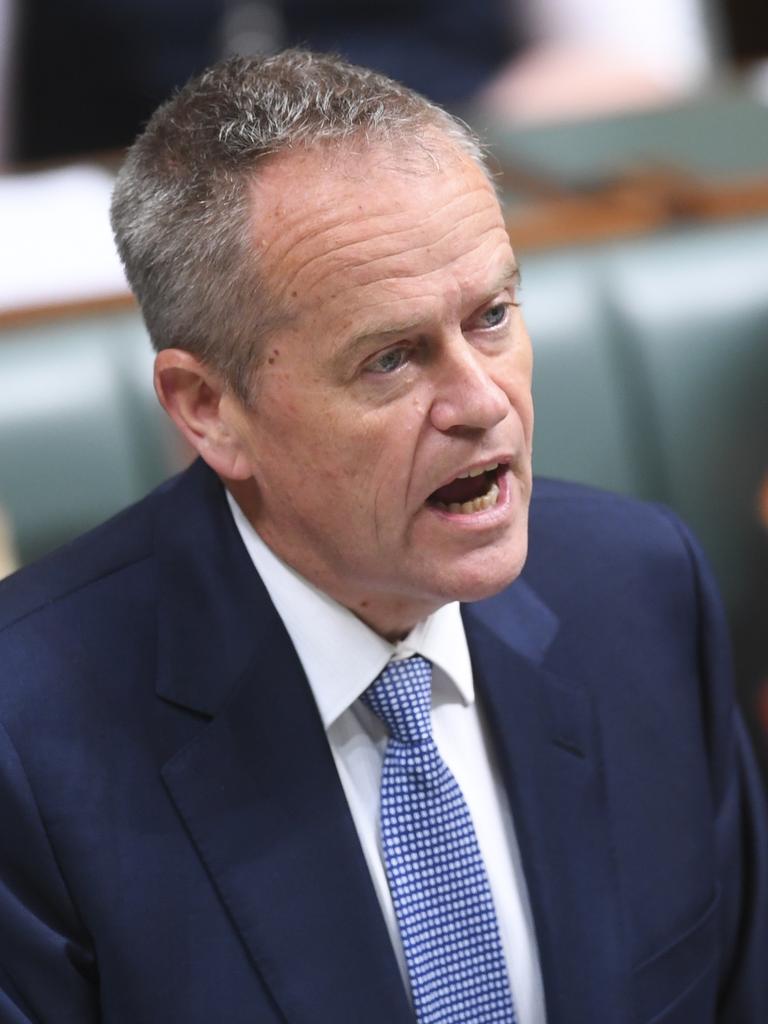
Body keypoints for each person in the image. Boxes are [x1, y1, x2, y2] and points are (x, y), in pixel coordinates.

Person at [0, 51, 765, 1024]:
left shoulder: (642, 592)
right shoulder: (23, 741)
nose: (484, 403)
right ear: (208, 409)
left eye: (492, 316)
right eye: (392, 359)